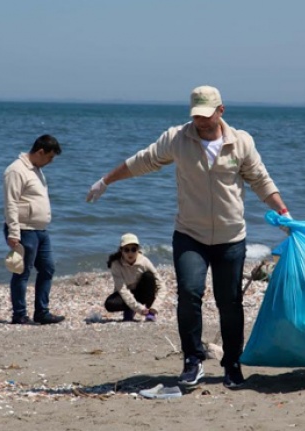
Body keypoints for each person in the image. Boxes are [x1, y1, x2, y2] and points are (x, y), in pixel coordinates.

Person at [86, 85, 290, 388]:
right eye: (197, 116)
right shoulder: (178, 139)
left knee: (230, 302)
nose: (202, 122)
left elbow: (261, 180)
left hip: (230, 237)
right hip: (189, 235)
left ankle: (232, 364)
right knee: (190, 294)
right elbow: (143, 160)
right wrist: (106, 180)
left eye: (207, 115)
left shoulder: (241, 143)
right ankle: (192, 361)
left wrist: (284, 214)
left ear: (221, 111)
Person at [3, 134, 66, 325]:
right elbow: (11, 203)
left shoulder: (37, 170)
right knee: (22, 272)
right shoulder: (16, 170)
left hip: (40, 229)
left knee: (47, 269)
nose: (51, 161)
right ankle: (19, 315)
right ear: (40, 152)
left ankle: (42, 312)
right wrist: (14, 233)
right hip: (23, 229)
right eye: (50, 157)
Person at [105, 233, 167, 322]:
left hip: (141, 293)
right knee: (109, 304)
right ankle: (129, 310)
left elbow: (161, 286)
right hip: (126, 294)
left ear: (138, 250)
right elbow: (123, 291)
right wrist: (138, 308)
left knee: (149, 277)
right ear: (121, 251)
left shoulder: (144, 262)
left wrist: (155, 307)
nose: (130, 253)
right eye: (126, 250)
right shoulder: (116, 264)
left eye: (133, 249)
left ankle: (150, 313)